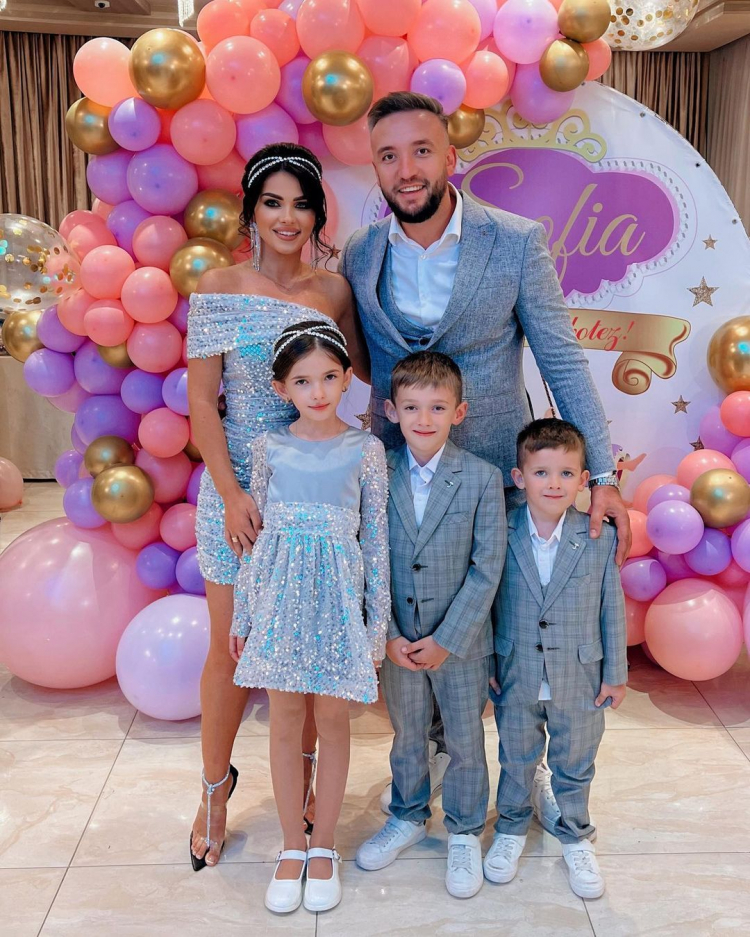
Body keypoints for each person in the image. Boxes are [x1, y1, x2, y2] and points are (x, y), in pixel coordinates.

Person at [339, 91, 632, 823]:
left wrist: (601, 473)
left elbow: (561, 360)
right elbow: (369, 360)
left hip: (499, 471)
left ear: (450, 154)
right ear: (375, 166)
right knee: (420, 624)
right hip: (402, 477)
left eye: (420, 150)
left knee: (508, 636)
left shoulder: (515, 241)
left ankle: (528, 775)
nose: (406, 169)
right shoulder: (362, 251)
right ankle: (437, 761)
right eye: (388, 156)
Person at [187, 142, 368, 871]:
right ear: (251, 211)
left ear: (318, 215)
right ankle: (213, 790)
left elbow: (352, 375)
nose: (287, 217)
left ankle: (304, 785)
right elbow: (204, 401)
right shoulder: (219, 283)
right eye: (273, 202)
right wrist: (232, 494)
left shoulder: (335, 292)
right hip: (236, 491)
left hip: (311, 491)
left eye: (301, 204)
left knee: (309, 648)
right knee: (228, 651)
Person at [230, 321, 390, 914]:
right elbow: (256, 541)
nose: (317, 391)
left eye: (328, 377)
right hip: (278, 600)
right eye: (302, 381)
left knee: (334, 720)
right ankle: (291, 846)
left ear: (347, 378)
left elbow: (376, 542)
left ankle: (324, 846)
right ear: (281, 388)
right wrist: (244, 613)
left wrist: (376, 624)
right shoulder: (268, 448)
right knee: (284, 720)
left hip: (340, 604)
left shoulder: (366, 450)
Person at [355, 352, 505, 899]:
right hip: (399, 640)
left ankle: (464, 830)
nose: (424, 418)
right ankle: (408, 814)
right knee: (408, 734)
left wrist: (447, 639)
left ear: (458, 412)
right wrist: (388, 633)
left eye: (438, 407)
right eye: (412, 406)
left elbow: (487, 568)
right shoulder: (376, 473)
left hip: (460, 644)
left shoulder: (482, 477)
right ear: (391, 411)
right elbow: (367, 556)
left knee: (465, 739)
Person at [483, 419, 627, 899]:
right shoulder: (500, 530)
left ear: (584, 480)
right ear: (519, 477)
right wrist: (487, 665)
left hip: (581, 675)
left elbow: (611, 607)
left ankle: (575, 833)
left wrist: (615, 674)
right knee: (516, 755)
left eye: (566, 474)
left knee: (575, 759)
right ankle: (510, 826)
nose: (554, 484)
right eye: (541, 473)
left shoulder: (599, 537)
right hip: (515, 670)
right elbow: (488, 604)